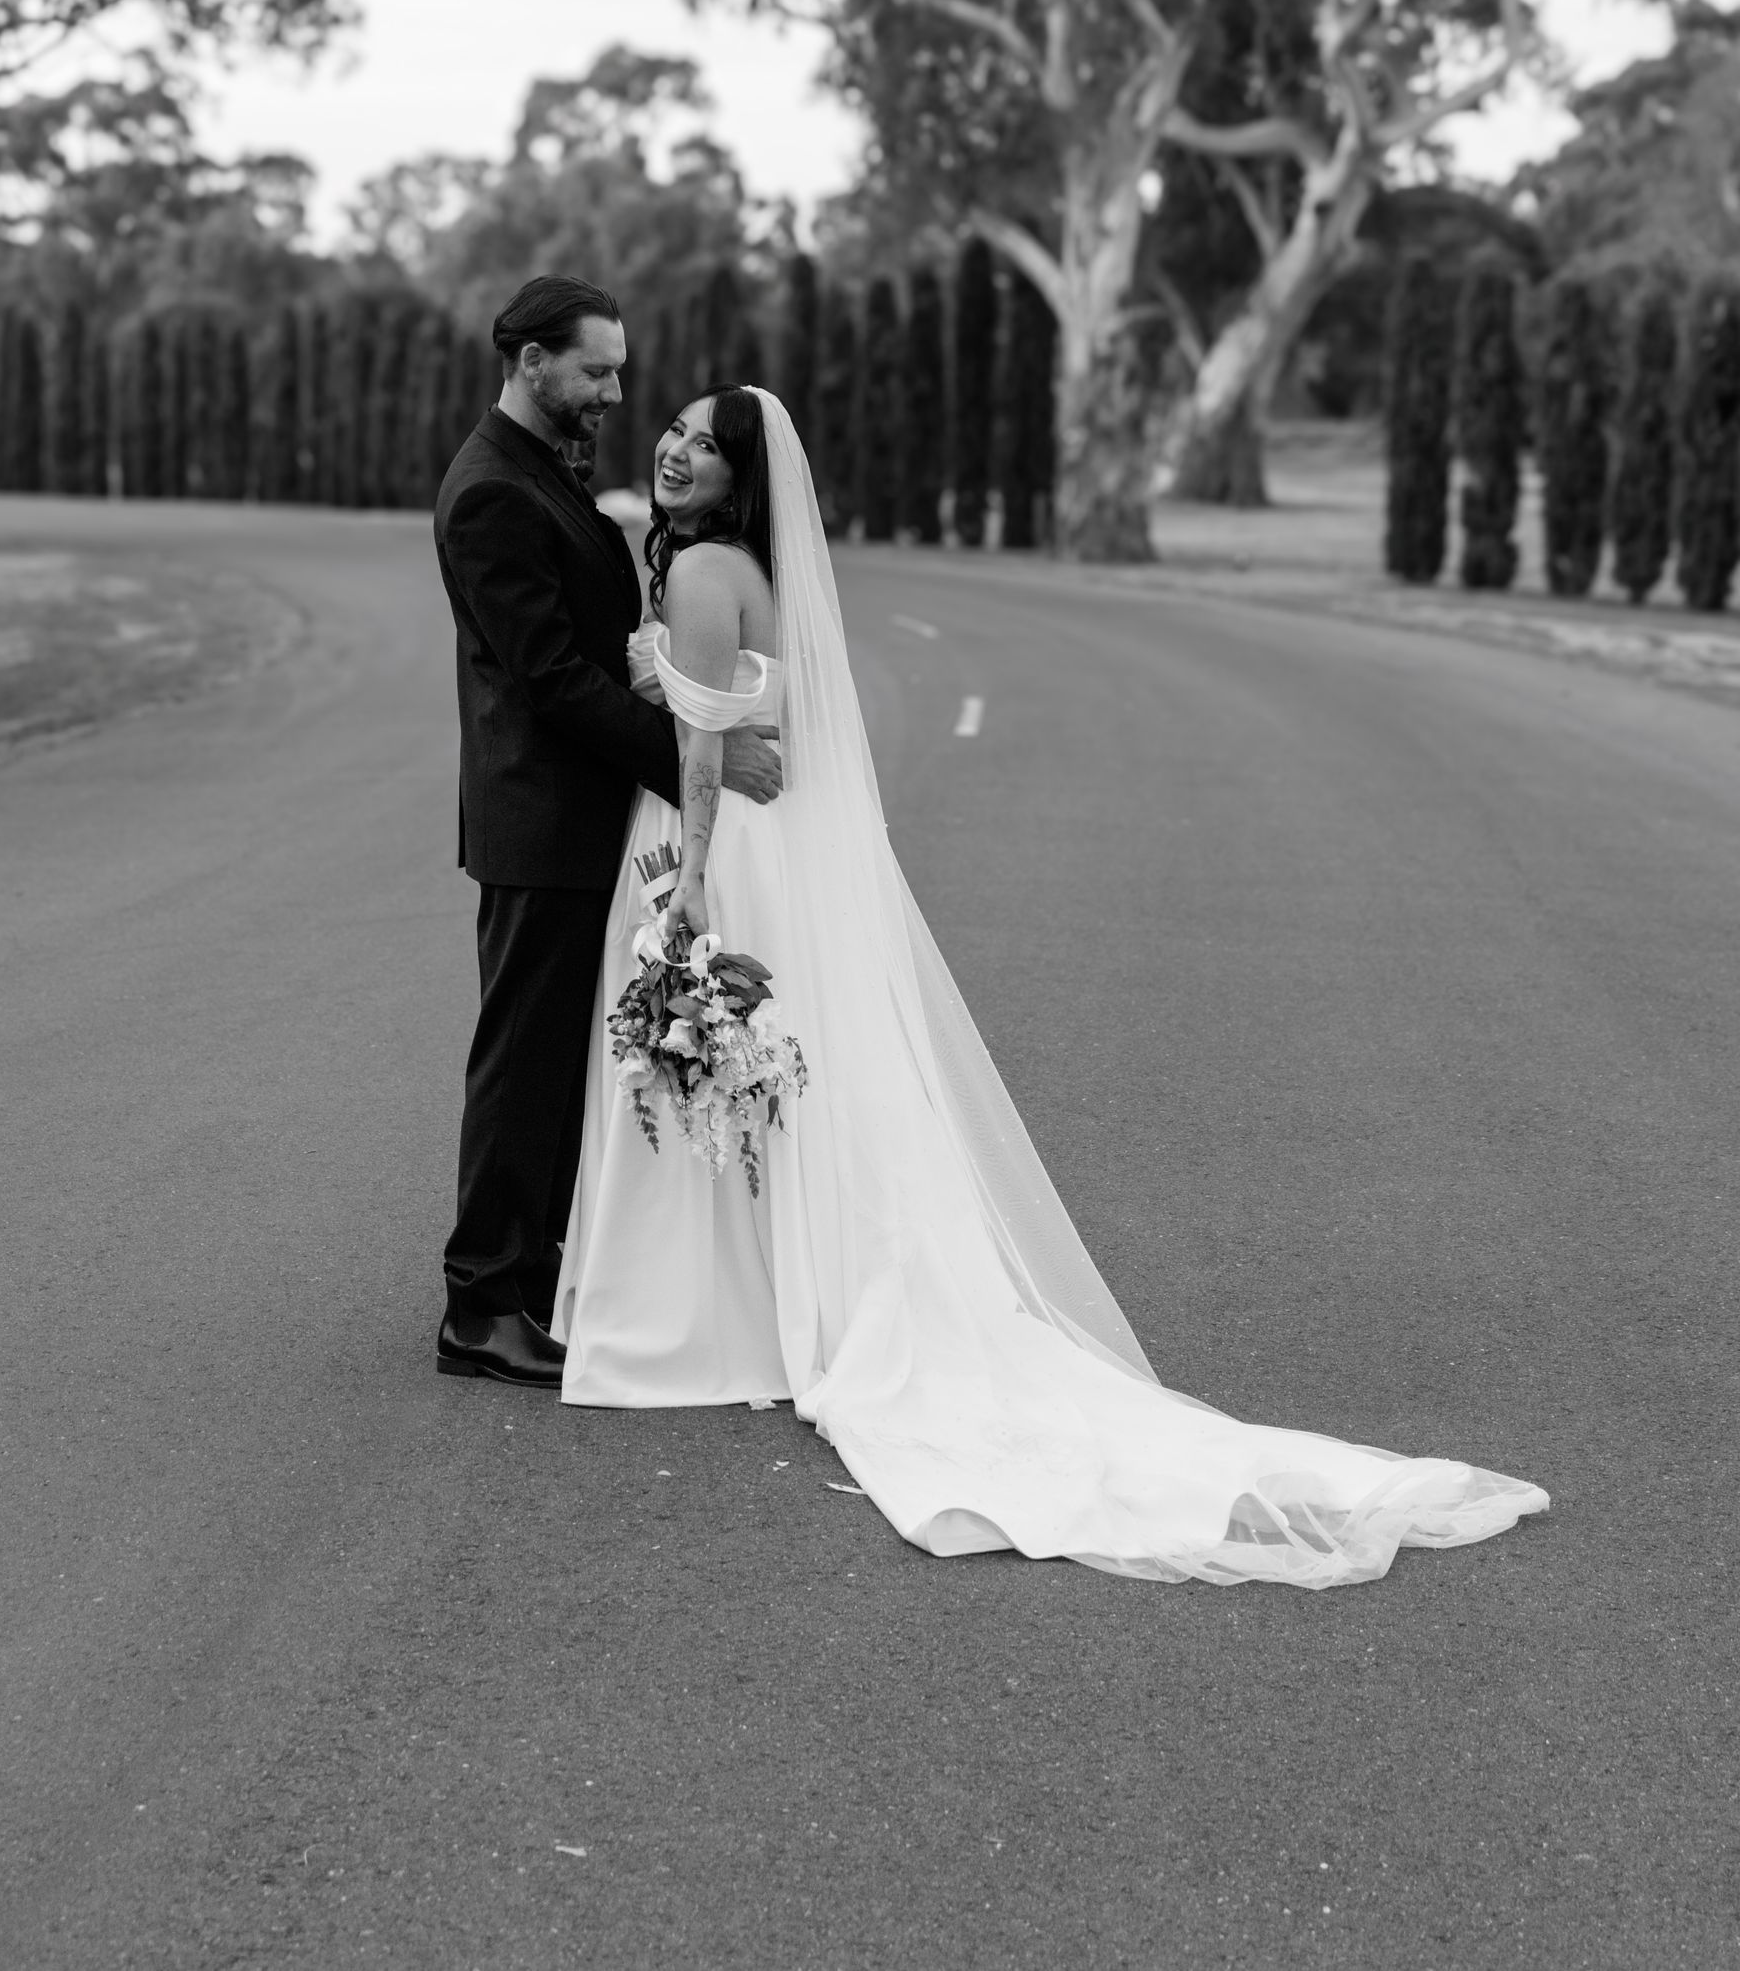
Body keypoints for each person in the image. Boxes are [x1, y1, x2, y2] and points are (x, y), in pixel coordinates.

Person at [553, 384, 1551, 1586]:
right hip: (754, 845)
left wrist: (694, 885)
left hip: (716, 856)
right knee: (762, 1077)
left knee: (722, 1065)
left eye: (707, 446)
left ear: (743, 477)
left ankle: (699, 1319)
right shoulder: (730, 566)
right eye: (675, 430)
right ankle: (749, 1304)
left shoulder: (710, 573)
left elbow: (704, 754)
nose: (675, 450)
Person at [431, 279, 779, 1387]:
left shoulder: (545, 471)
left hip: (582, 817)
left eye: (620, 369)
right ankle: (481, 1304)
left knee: (555, 1063)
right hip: (540, 816)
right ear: (533, 363)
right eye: (595, 370)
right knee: (521, 1062)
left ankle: (534, 1274)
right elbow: (549, 679)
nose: (617, 391)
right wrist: (692, 753)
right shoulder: (492, 490)